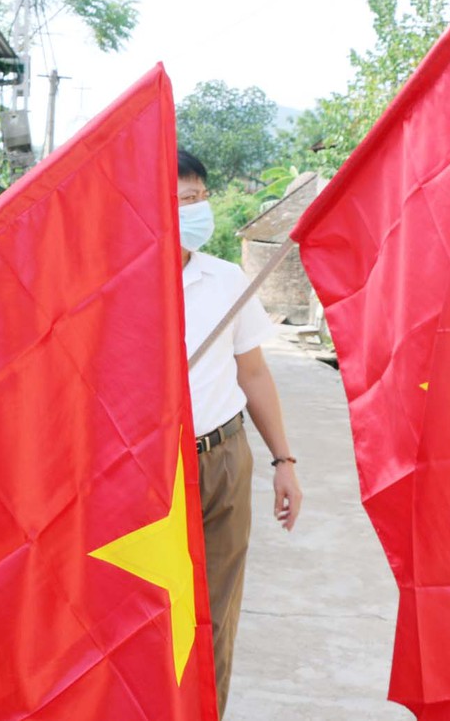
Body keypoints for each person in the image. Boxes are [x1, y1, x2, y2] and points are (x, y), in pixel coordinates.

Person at [176, 149, 302, 717]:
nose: (195, 209)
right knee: (145, 609)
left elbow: (252, 371)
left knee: (214, 610)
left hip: (223, 460)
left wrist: (285, 461)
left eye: (199, 197)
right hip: (147, 468)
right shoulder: (113, 284)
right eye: (181, 199)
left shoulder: (224, 279)